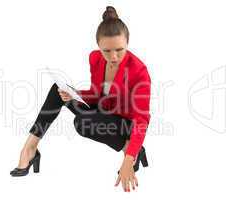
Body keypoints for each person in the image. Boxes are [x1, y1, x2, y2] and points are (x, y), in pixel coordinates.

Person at [10, 6, 151, 193]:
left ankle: (130, 148)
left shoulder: (139, 71)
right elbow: (97, 93)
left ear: (127, 43)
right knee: (58, 89)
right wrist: (75, 95)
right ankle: (30, 149)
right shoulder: (95, 59)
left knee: (82, 122)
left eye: (119, 50)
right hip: (103, 111)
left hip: (124, 124)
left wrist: (129, 157)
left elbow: (142, 120)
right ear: (98, 46)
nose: (114, 57)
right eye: (106, 51)